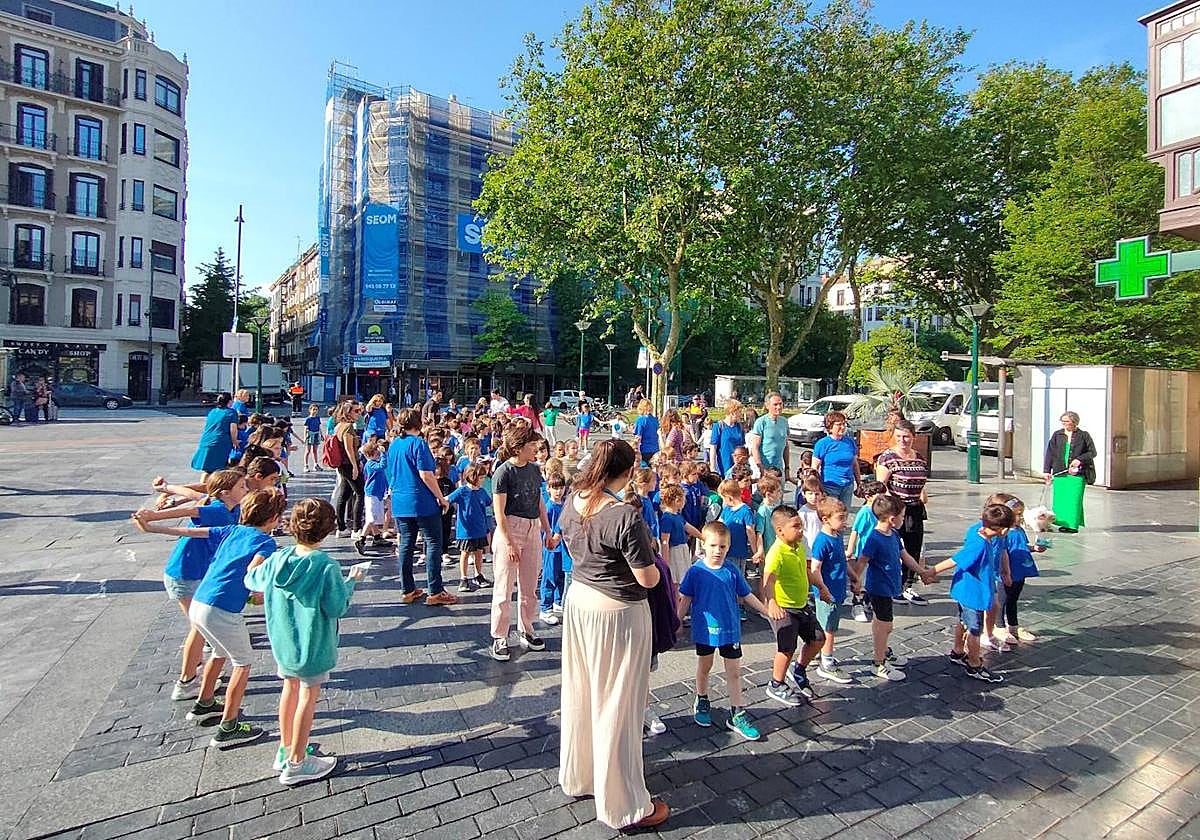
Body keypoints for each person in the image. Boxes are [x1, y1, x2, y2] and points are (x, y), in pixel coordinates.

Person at [557, 439, 668, 830]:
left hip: (580, 599)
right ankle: (623, 804)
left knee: (582, 693)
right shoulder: (624, 515)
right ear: (624, 472)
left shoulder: (572, 501)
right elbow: (648, 577)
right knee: (619, 704)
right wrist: (654, 556)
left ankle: (580, 777)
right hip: (618, 611)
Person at [132, 487, 287, 748]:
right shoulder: (265, 542)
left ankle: (204, 702)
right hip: (222, 609)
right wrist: (261, 591)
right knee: (243, 662)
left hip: (200, 602)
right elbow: (254, 571)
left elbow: (188, 532)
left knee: (218, 651)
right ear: (273, 518)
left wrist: (151, 528)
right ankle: (229, 725)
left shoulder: (231, 531)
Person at [245, 498, 364, 783]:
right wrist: (352, 582)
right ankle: (297, 764)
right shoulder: (325, 566)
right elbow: (336, 607)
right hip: (313, 646)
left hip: (284, 643)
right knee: (307, 699)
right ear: (326, 530)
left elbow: (252, 581)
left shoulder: (279, 558)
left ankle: (286, 750)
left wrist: (253, 564)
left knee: (289, 690)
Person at [131, 469, 247, 700]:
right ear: (225, 493)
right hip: (185, 574)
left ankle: (204, 665)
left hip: (198, 572)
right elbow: (189, 510)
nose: (246, 489)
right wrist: (152, 517)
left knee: (203, 626)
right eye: (242, 486)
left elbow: (190, 493)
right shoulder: (216, 510)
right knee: (199, 628)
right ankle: (186, 683)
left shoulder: (230, 505)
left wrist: (165, 488)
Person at [678, 521, 770, 739]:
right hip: (705, 630)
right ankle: (701, 698)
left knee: (734, 671)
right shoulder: (696, 571)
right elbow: (685, 599)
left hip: (730, 630)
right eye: (712, 546)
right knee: (705, 666)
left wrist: (765, 610)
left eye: (722, 547)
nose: (717, 551)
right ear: (704, 545)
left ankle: (737, 712)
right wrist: (676, 622)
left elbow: (746, 595)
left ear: (728, 547)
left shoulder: (732, 570)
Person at [930, 503, 1016, 684]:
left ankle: (958, 651)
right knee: (975, 629)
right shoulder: (980, 545)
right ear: (1003, 529)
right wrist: (931, 571)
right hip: (972, 592)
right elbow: (956, 559)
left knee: (962, 621)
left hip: (966, 589)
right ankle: (974, 664)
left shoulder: (980, 535)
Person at [854, 495, 935, 682]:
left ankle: (882, 651)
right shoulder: (874, 538)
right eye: (902, 516)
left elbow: (904, 555)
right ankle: (879, 663)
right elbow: (862, 561)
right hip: (879, 588)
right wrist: (856, 580)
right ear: (892, 518)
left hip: (889, 586)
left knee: (880, 624)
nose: (903, 519)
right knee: (886, 625)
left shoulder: (894, 534)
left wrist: (921, 572)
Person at [489, 425, 552, 660]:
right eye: (531, 444)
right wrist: (508, 543)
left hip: (532, 526)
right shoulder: (503, 472)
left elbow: (539, 502)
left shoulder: (535, 470)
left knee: (529, 586)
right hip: (510, 528)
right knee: (504, 587)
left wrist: (547, 530)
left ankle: (527, 628)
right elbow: (499, 512)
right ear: (518, 447)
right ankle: (499, 636)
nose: (536, 447)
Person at [386, 408, 458, 606]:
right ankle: (435, 590)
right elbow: (427, 475)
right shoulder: (419, 444)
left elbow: (389, 471)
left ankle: (407, 589)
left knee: (406, 544)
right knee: (433, 542)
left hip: (400, 501)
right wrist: (441, 498)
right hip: (421, 502)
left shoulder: (394, 445)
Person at [762, 505, 829, 706]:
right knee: (786, 648)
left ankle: (798, 670)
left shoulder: (799, 546)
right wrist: (772, 602)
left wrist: (821, 587)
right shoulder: (777, 552)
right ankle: (776, 683)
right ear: (780, 531)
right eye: (796, 527)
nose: (801, 530)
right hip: (784, 608)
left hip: (801, 605)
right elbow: (768, 580)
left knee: (818, 639)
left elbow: (807, 571)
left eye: (801, 526)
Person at [875, 420, 930, 605]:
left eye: (906, 436)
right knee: (893, 549)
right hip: (896, 510)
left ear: (913, 437)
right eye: (898, 436)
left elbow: (922, 481)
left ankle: (907, 585)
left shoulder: (919, 457)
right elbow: (881, 487)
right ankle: (891, 586)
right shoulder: (887, 458)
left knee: (913, 548)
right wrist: (894, 510)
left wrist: (922, 494)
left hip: (915, 508)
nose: (903, 440)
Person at [810, 498, 853, 684]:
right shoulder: (822, 541)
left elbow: (841, 560)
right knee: (828, 627)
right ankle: (826, 661)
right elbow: (815, 569)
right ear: (825, 519)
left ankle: (818, 654)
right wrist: (822, 589)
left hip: (837, 588)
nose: (844, 522)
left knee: (828, 624)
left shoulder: (836, 537)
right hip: (828, 592)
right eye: (841, 518)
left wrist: (854, 576)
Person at [1043, 411, 1096, 533]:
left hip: (1077, 474)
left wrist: (1079, 459)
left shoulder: (1083, 435)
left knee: (1074, 500)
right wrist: (1047, 470)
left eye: (1066, 421)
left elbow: (1092, 452)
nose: (1064, 423)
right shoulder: (1057, 435)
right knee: (1061, 500)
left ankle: (1072, 525)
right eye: (1062, 421)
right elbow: (1050, 453)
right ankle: (1062, 522)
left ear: (1074, 422)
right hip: (1060, 472)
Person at [811, 411, 861, 508]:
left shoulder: (849, 442)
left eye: (844, 424)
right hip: (829, 486)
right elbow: (814, 468)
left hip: (847, 486)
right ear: (830, 426)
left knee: (844, 515)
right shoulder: (823, 444)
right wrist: (816, 488)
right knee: (831, 516)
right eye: (839, 425)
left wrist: (859, 483)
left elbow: (855, 464)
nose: (842, 427)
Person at [330, 402, 365, 538]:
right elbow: (349, 449)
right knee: (360, 493)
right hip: (349, 464)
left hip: (342, 465)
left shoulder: (338, 426)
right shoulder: (348, 427)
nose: (358, 413)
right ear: (348, 412)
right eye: (356, 411)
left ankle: (341, 527)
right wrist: (356, 466)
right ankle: (356, 528)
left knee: (344, 495)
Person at [538, 475, 568, 625]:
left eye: (561, 487)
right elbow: (542, 527)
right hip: (551, 548)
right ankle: (545, 608)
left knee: (561, 576)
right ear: (548, 489)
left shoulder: (564, 505)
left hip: (563, 548)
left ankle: (557, 601)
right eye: (555, 488)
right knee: (549, 577)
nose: (559, 491)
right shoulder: (548, 507)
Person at [191, 393, 240, 479]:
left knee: (207, 470)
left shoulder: (212, 412)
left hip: (207, 440)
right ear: (229, 401)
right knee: (219, 468)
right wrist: (235, 441)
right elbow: (233, 429)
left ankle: (203, 486)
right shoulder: (231, 413)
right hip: (220, 442)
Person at [748, 392, 790, 481]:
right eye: (775, 404)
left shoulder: (784, 422)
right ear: (767, 406)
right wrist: (761, 468)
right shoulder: (761, 422)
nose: (778, 407)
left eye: (780, 404)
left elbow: (786, 446)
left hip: (778, 469)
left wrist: (787, 468)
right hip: (764, 469)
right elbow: (754, 447)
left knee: (778, 494)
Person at [709, 400, 746, 478]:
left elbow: (742, 446)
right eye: (739, 411)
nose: (741, 414)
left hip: (738, 465)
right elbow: (713, 448)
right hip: (724, 463)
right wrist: (713, 467)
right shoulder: (719, 426)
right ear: (732, 412)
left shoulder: (740, 427)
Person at [631, 399, 660, 467]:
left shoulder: (641, 420)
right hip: (655, 449)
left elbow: (638, 437)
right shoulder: (655, 419)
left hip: (644, 449)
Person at [303, 405, 322, 472]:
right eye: (313, 409)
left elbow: (319, 427)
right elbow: (305, 428)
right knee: (308, 451)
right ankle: (306, 465)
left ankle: (316, 465)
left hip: (316, 434)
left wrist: (321, 434)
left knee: (315, 451)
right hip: (310, 434)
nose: (315, 411)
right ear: (310, 410)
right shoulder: (308, 419)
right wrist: (305, 437)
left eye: (316, 409)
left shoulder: (318, 418)